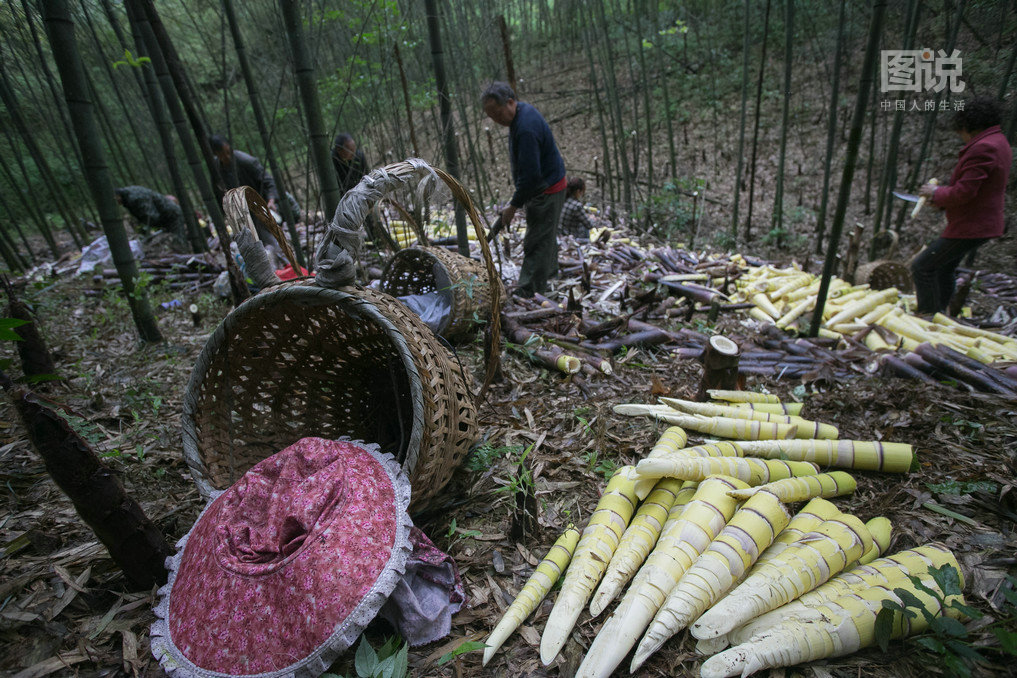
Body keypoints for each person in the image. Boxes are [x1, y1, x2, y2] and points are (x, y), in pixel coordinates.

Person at [912, 96, 1012, 314]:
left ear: (968, 126)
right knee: (943, 268)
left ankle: (927, 317)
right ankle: (942, 314)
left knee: (922, 267)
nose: (962, 138)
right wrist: (940, 200)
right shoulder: (998, 140)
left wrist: (937, 193)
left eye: (961, 133)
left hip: (973, 224)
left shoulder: (984, 148)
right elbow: (977, 189)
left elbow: (965, 191)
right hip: (977, 220)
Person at [482, 81, 567, 297]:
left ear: (510, 102)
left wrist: (513, 206)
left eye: (498, 113)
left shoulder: (526, 127)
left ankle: (529, 291)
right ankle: (550, 274)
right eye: (491, 117)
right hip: (545, 185)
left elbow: (530, 176)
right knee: (545, 232)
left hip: (546, 188)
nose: (497, 120)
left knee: (536, 240)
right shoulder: (521, 115)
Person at [114, 185, 186, 249]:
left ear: (117, 196)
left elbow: (150, 216)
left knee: (178, 241)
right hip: (164, 216)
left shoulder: (134, 197)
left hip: (171, 214)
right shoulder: (128, 197)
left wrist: (145, 230)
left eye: (115, 200)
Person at [558, 176, 593, 242]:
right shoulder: (577, 206)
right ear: (578, 191)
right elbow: (589, 225)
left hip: (560, 235)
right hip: (572, 238)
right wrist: (592, 218)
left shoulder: (563, 200)